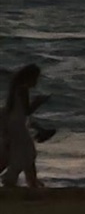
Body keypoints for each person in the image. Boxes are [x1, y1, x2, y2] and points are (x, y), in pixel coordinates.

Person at [1, 64, 51, 195]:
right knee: (27, 152)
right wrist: (39, 102)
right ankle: (10, 178)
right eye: (35, 79)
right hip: (18, 124)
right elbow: (27, 111)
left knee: (24, 151)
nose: (36, 82)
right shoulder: (23, 89)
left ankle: (29, 180)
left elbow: (10, 109)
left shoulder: (15, 89)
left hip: (14, 123)